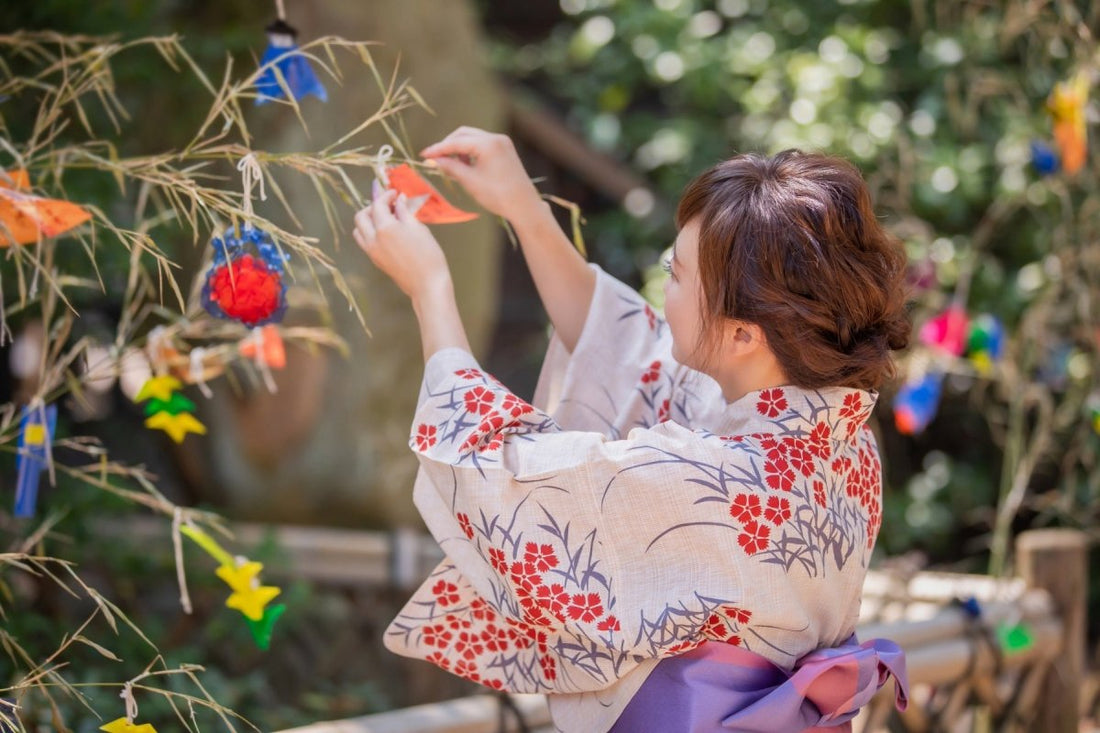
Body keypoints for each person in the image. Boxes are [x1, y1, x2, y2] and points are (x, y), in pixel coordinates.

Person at [353, 127, 910, 733]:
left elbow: (506, 479)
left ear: (744, 335)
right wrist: (524, 208)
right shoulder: (839, 433)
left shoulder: (718, 485)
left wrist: (431, 291)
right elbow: (629, 353)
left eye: (676, 274)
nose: (663, 286)